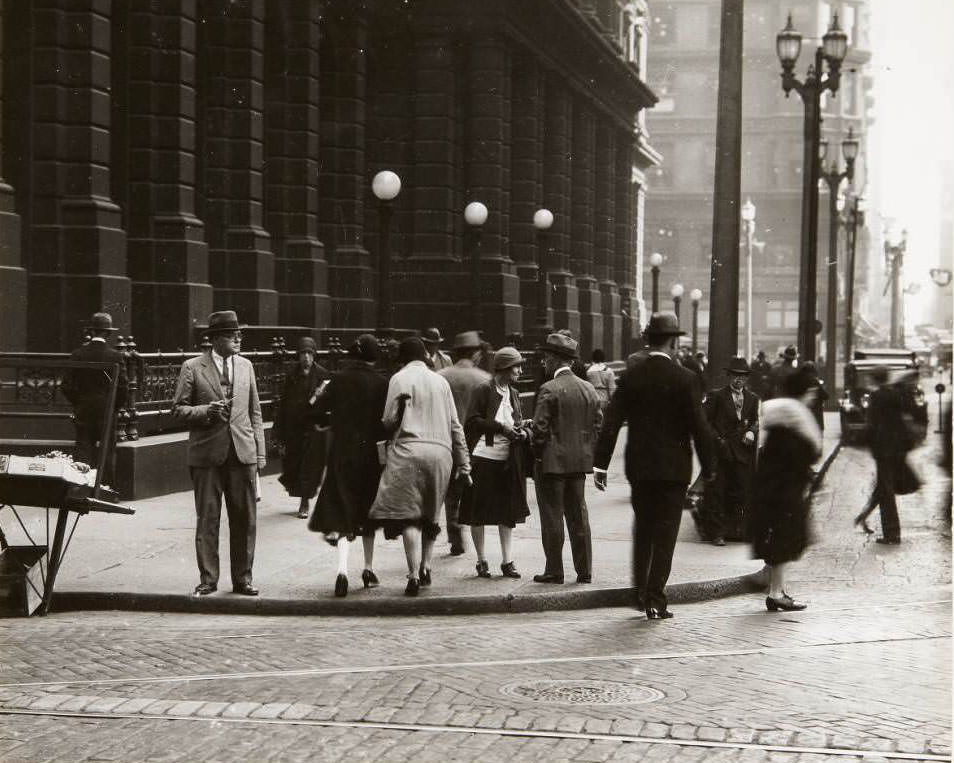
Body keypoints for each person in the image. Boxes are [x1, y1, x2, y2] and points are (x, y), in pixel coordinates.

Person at [593, 313, 715, 620]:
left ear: (649, 340)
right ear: (673, 341)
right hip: (674, 471)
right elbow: (699, 427)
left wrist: (601, 465)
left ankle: (638, 592)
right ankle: (655, 599)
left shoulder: (632, 377)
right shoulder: (685, 379)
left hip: (641, 469)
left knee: (644, 529)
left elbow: (611, 421)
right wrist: (710, 468)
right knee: (666, 534)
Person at [172, 310, 266, 597]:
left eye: (238, 334)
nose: (237, 338)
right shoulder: (192, 367)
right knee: (208, 519)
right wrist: (205, 411)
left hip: (242, 454)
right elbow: (178, 409)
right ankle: (208, 579)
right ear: (214, 340)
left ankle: (243, 580)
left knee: (245, 520)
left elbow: (255, 412)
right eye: (230, 334)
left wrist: (260, 454)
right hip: (206, 456)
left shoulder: (246, 366)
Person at [369, 337, 470, 596]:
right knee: (431, 514)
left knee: (410, 516)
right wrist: (464, 462)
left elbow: (389, 420)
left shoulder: (399, 379)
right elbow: (455, 425)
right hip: (441, 453)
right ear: (424, 356)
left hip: (408, 452)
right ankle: (426, 566)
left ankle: (413, 574)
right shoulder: (440, 381)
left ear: (403, 357)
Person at [308, 334, 388, 597]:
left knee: (343, 511)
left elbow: (315, 410)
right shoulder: (382, 383)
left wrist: (331, 422)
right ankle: (368, 568)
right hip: (370, 455)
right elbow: (386, 422)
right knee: (368, 510)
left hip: (342, 453)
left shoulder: (336, 379)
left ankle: (341, 571)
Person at [748, 365, 822, 612]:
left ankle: (775, 588)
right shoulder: (794, 424)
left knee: (780, 541)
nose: (813, 396)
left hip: (773, 491)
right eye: (810, 391)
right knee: (784, 540)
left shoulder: (779, 422)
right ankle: (776, 592)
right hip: (784, 494)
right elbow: (806, 455)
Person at [531, 333, 602, 585]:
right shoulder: (589, 389)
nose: (543, 363)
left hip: (552, 463)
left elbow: (539, 429)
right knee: (578, 515)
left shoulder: (549, 389)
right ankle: (584, 570)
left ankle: (554, 570)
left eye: (545, 358)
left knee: (552, 515)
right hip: (579, 462)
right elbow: (597, 424)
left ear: (552, 359)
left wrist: (537, 450)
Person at [461, 347, 531, 578]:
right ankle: (481, 560)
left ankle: (507, 561)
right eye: (516, 366)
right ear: (503, 368)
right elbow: (472, 422)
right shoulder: (483, 389)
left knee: (507, 513)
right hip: (484, 457)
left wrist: (521, 430)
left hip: (507, 460)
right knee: (477, 512)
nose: (520, 370)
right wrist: (501, 428)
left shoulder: (514, 393)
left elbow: (515, 420)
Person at [438, 331, 492, 555]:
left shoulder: (441, 375)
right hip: (475, 442)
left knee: (451, 491)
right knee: (473, 489)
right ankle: (472, 533)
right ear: (476, 354)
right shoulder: (484, 378)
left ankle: (454, 533)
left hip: (446, 440)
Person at [852, 366, 919, 544]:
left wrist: (860, 440)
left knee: (886, 489)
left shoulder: (876, 396)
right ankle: (864, 517)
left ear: (874, 379)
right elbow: (909, 412)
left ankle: (891, 533)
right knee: (884, 486)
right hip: (899, 447)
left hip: (883, 449)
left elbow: (872, 423)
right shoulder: (897, 394)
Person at [61, 312, 128, 483]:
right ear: (108, 333)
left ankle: (79, 488)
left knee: (83, 447)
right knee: (107, 449)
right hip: (106, 409)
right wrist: (114, 406)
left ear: (91, 331)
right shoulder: (115, 356)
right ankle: (107, 489)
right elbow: (123, 388)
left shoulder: (78, 354)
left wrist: (79, 401)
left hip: (83, 408)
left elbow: (66, 385)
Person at [702, 357, 759, 545]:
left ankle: (739, 530)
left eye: (742, 377)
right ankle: (717, 533)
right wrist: (717, 440)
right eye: (735, 376)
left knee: (743, 491)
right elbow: (705, 422)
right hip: (721, 451)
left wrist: (751, 431)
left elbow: (754, 420)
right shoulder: (716, 396)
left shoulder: (752, 398)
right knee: (718, 491)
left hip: (742, 452)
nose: (738, 380)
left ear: (747, 379)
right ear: (729, 376)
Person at [273, 337, 330, 518]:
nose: (306, 357)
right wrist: (279, 432)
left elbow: (330, 403)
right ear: (298, 355)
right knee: (294, 465)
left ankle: (304, 502)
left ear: (314, 355)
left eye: (309, 353)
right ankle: (302, 495)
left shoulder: (322, 375)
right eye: (303, 353)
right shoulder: (292, 375)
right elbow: (284, 402)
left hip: (313, 427)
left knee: (310, 466)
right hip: (295, 427)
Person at [586, 349, 616, 414]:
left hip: (593, 400)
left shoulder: (589, 372)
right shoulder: (609, 371)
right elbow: (612, 389)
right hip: (605, 401)